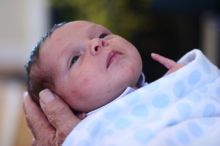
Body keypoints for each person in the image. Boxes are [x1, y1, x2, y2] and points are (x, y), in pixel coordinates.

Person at [24, 21, 220, 146]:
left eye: (102, 35)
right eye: (74, 59)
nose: (96, 43)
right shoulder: (87, 133)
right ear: (59, 106)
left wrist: (190, 78)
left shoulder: (168, 87)